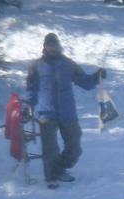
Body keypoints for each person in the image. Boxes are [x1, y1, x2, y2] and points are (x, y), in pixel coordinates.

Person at [24, 33, 106, 188]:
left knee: (75, 146)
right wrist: (28, 106)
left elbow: (85, 83)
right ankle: (52, 177)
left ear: (59, 46)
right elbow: (31, 89)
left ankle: (60, 168)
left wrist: (97, 76)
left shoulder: (68, 64)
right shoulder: (37, 66)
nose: (53, 48)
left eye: (55, 45)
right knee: (50, 147)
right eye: (49, 45)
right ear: (45, 47)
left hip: (68, 112)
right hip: (46, 113)